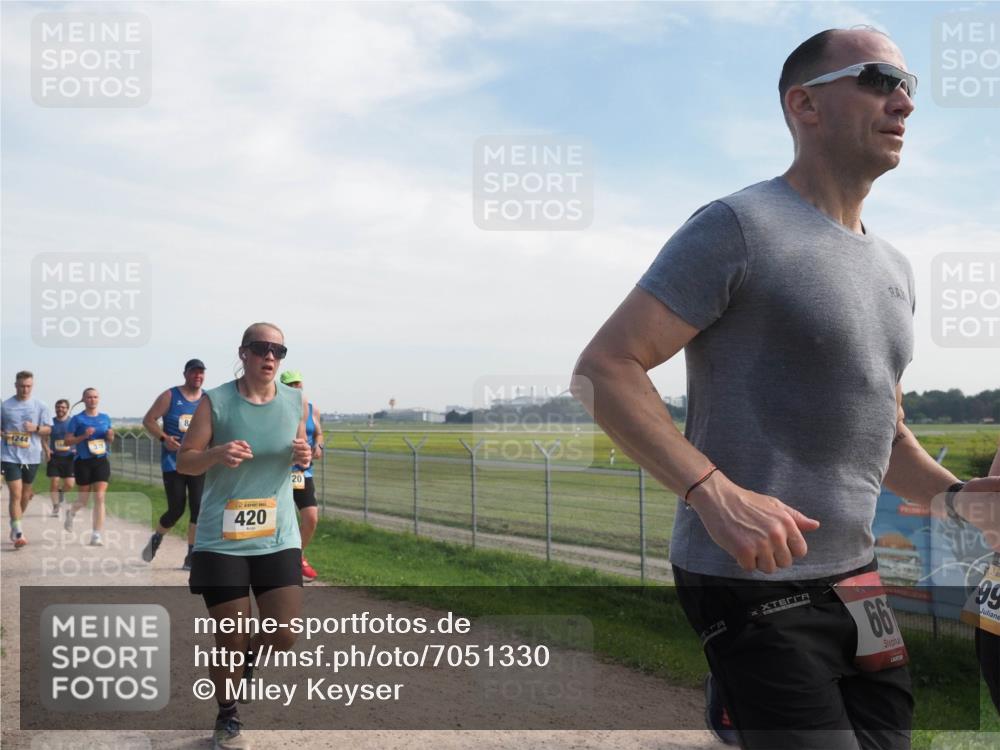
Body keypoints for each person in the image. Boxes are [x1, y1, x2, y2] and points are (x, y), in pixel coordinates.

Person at [572, 27, 1000, 750]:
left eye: (909, 87)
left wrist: (962, 502)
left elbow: (883, 430)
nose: (903, 102)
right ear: (804, 104)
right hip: (747, 580)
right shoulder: (738, 227)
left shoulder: (894, 266)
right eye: (877, 79)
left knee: (887, 741)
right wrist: (713, 492)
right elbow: (605, 370)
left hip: (857, 574)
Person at [178, 322, 311, 750]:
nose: (269, 356)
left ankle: (246, 658)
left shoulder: (296, 401)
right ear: (244, 353)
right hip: (222, 538)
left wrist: (307, 455)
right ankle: (227, 714)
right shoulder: (216, 402)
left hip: (277, 532)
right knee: (229, 637)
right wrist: (217, 453)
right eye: (261, 348)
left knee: (284, 634)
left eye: (278, 350)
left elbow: (301, 451)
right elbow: (185, 462)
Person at [141, 359, 208, 570]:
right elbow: (149, 420)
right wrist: (164, 439)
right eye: (194, 372)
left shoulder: (207, 399)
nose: (198, 376)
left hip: (198, 460)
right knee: (176, 509)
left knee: (198, 508)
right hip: (174, 462)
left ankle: (191, 555)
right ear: (185, 374)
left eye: (201, 373)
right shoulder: (170, 395)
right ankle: (157, 538)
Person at [279, 370, 323, 582]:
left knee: (311, 518)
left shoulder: (312, 409)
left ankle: (298, 556)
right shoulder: (276, 407)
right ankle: (279, 560)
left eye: (298, 384)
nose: (296, 388)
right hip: (281, 472)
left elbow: (318, 433)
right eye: (291, 385)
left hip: (303, 473)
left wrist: (320, 445)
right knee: (279, 519)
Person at [1, 371, 52, 548]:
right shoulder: (5, 406)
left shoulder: (41, 405)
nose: (25, 389)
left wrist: (36, 427)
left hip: (32, 456)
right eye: (22, 386)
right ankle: (18, 532)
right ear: (15, 385)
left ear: (32, 386)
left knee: (25, 495)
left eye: (28, 386)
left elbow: (48, 430)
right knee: (15, 493)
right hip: (10, 455)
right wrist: (4, 434)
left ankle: (15, 523)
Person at [63, 388, 115, 546]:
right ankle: (71, 513)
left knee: (99, 497)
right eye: (89, 397)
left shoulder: (105, 417)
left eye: (95, 397)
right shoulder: (77, 419)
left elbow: (110, 440)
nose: (92, 399)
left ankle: (96, 535)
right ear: (84, 399)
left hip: (101, 460)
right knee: (83, 500)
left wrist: (110, 436)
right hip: (83, 461)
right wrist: (83, 436)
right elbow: (67, 442)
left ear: (98, 399)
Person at [44, 398, 76, 517]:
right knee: (55, 481)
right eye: (58, 407)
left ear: (67, 409)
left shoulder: (73, 422)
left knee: (70, 484)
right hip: (55, 457)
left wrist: (76, 448)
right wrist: (47, 449)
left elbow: (79, 437)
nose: (60, 409)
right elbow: (44, 438)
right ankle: (55, 506)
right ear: (55, 408)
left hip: (69, 457)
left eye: (63, 407)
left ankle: (61, 493)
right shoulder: (50, 423)